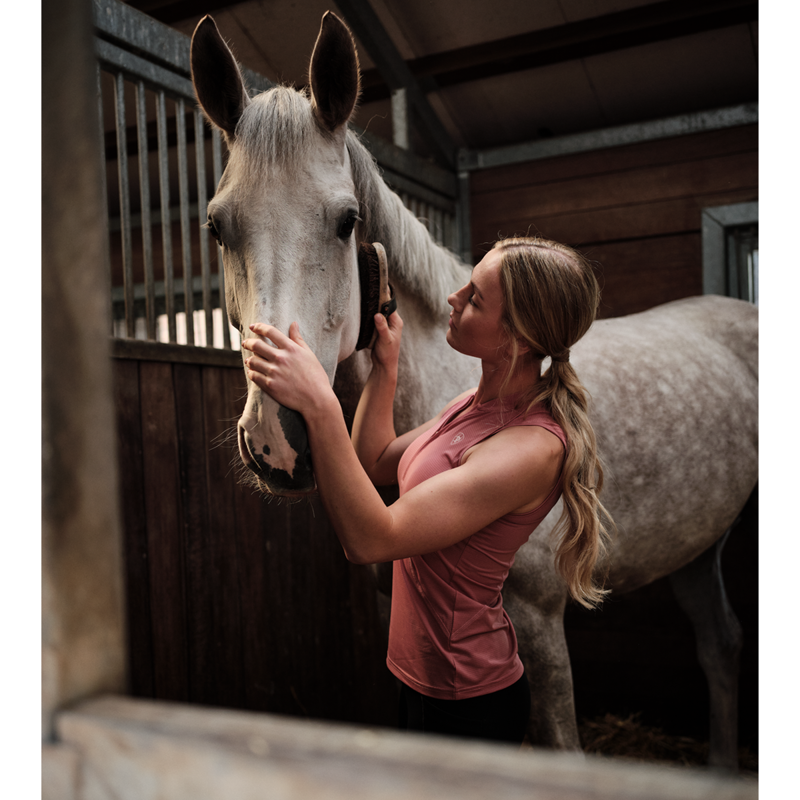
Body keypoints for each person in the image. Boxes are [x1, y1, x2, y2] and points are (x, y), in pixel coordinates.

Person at [241, 236, 612, 746]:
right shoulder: (472, 404)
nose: (452, 299)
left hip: (470, 699)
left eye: (476, 298)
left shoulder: (532, 447)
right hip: (418, 679)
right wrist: (385, 368)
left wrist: (321, 403)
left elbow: (372, 540)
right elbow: (375, 463)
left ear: (519, 339)